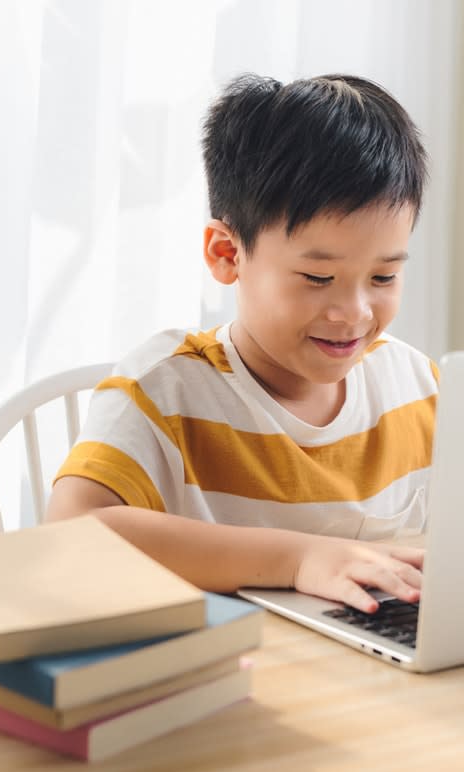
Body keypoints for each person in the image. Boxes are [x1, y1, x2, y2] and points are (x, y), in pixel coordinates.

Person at [47, 73, 437, 613]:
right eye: (318, 279)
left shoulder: (415, 388)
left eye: (383, 278)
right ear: (228, 254)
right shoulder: (165, 392)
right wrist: (299, 559)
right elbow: (71, 535)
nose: (355, 313)